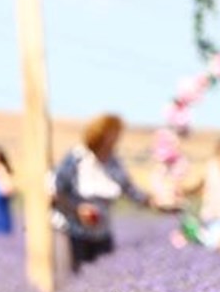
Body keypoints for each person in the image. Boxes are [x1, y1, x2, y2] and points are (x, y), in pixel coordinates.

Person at [52, 113, 153, 272]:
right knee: (77, 280)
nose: (116, 139)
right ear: (100, 134)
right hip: (73, 232)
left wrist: (156, 202)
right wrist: (78, 209)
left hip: (102, 233)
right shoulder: (77, 157)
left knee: (105, 277)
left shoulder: (114, 162)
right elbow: (56, 192)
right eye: (113, 135)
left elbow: (130, 190)